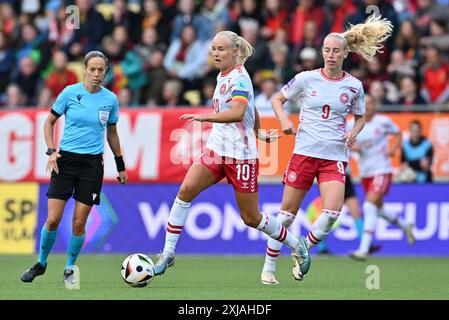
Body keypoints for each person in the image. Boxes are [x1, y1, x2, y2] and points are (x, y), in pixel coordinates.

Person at [152, 30, 309, 279]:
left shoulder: (240, 79)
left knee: (251, 217)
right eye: (214, 48)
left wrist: (205, 117)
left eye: (221, 49)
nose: (216, 53)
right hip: (216, 150)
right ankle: (168, 253)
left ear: (235, 52)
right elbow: (251, 105)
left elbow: (237, 112)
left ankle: (295, 244)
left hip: (241, 156)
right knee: (184, 192)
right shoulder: (222, 75)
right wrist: (258, 131)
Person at [260, 15, 393, 285]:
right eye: (327, 50)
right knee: (286, 216)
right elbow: (277, 98)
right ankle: (269, 267)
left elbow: (361, 116)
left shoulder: (354, 86)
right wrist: (284, 120)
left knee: (331, 213)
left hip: (334, 157)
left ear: (345, 53)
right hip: (305, 154)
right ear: (323, 52)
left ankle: (303, 249)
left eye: (336, 51)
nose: (331, 55)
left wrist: (354, 131)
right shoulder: (306, 79)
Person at [20, 51, 128, 284]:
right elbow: (49, 123)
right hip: (65, 161)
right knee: (52, 220)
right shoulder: (69, 93)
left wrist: (120, 165)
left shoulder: (110, 99)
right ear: (85, 70)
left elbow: (112, 134)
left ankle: (70, 267)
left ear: (106, 71)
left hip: (91, 165)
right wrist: (51, 151)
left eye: (102, 70)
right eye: (93, 69)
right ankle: (41, 263)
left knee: (79, 223)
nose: (97, 74)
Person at [349, 94, 415, 261]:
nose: (368, 106)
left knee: (369, 206)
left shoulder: (383, 121)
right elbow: (346, 142)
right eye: (365, 104)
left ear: (375, 106)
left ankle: (363, 249)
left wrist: (393, 149)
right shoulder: (352, 123)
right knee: (378, 209)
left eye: (371, 103)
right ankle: (404, 225)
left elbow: (398, 133)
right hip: (365, 173)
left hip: (382, 170)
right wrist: (353, 146)